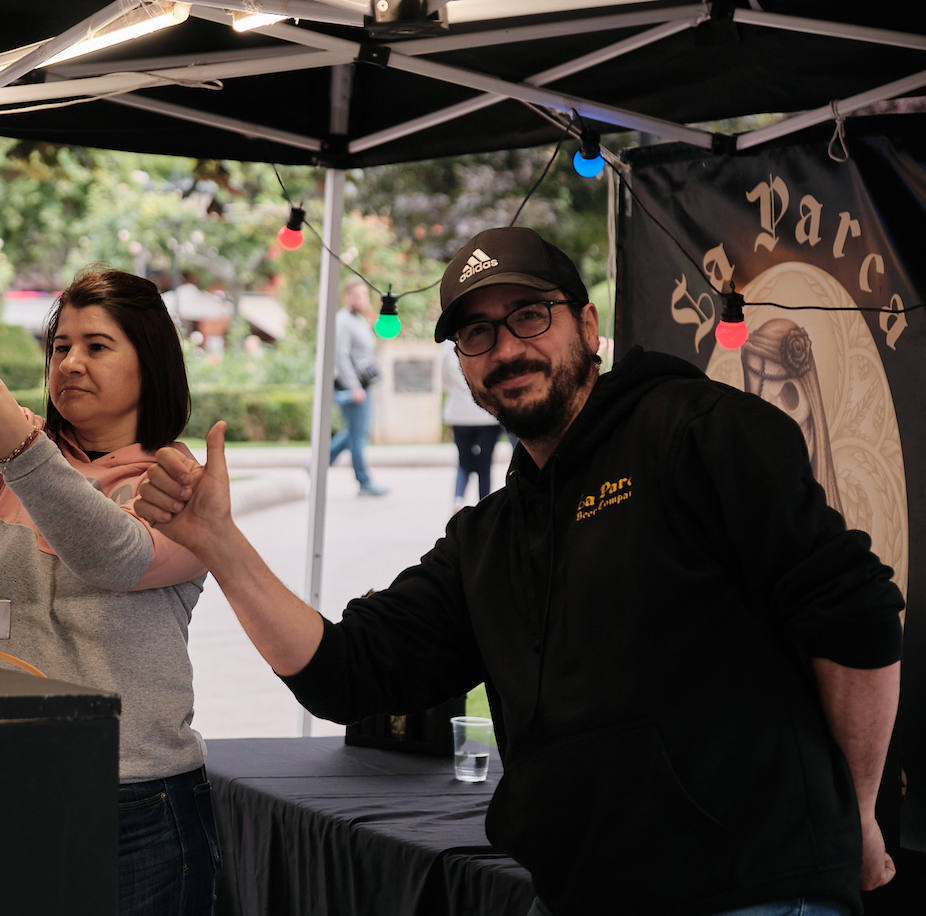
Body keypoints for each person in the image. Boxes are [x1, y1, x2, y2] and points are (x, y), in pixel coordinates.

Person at [137, 226, 902, 916]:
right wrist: (219, 542)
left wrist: (855, 815)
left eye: (529, 316)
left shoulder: (698, 433)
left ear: (588, 326)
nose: (505, 349)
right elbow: (345, 674)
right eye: (476, 334)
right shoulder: (489, 536)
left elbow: (856, 614)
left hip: (749, 893)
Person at [0, 154, 221, 916]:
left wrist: (20, 447)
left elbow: (116, 554)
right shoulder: (26, 459)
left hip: (135, 802)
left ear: (152, 363)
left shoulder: (179, 484)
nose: (68, 363)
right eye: (60, 346)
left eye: (96, 347)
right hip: (4, 777)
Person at [328, 277, 388, 496]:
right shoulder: (342, 321)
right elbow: (341, 356)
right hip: (353, 387)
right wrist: (354, 387)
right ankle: (363, 481)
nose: (361, 299)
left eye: (363, 295)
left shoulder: (360, 320)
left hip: (363, 385)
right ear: (347, 297)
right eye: (356, 295)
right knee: (358, 436)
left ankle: (317, 463)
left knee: (356, 433)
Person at [440, 337, 502, 509]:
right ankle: (485, 506)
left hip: (459, 414)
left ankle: (458, 498)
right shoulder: (492, 339)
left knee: (464, 461)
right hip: (487, 414)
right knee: (485, 464)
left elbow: (443, 377)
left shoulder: (447, 346)